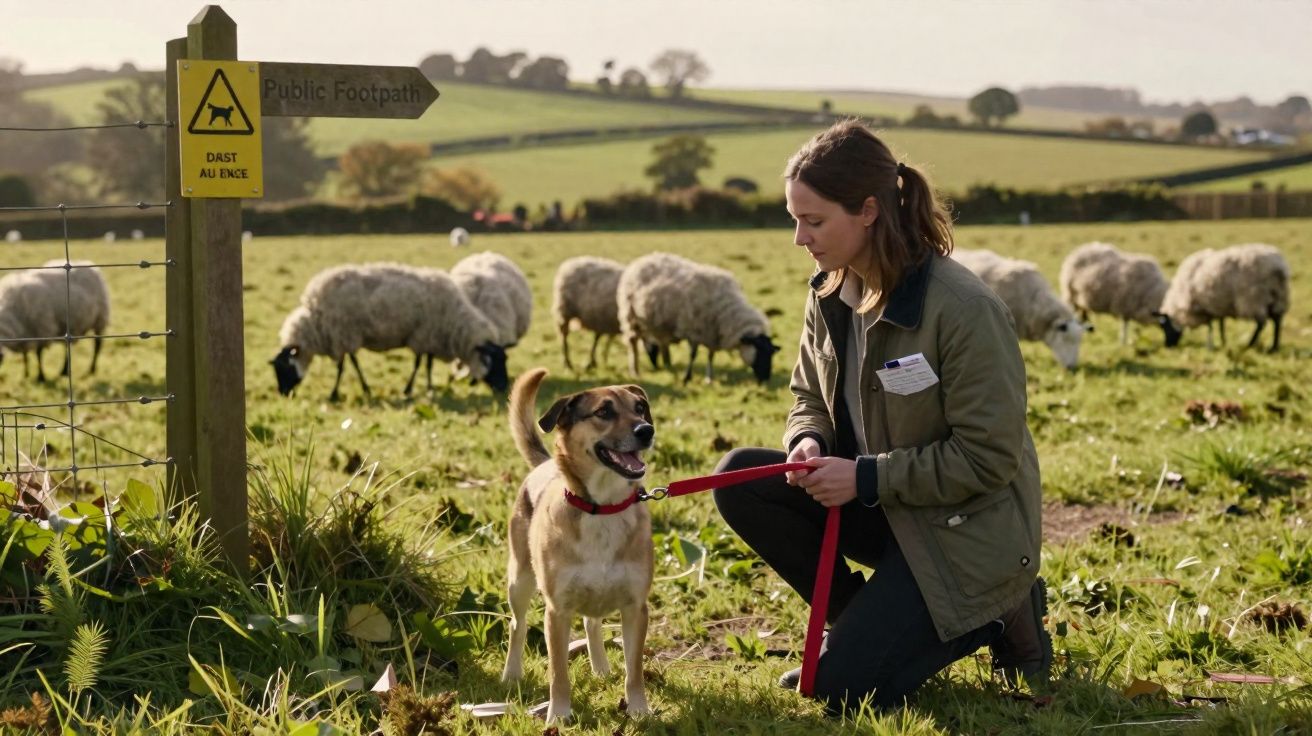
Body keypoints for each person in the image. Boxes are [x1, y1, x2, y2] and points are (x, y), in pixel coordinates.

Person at [713, 120, 1049, 714]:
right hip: (889, 512)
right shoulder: (828, 292)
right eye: (795, 218)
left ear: (867, 211)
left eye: (813, 221)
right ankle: (859, 622)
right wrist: (809, 440)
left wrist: (864, 478)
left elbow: (988, 458)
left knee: (843, 692)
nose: (799, 237)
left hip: (967, 531)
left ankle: (1004, 608)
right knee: (741, 478)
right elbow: (807, 397)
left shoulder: (964, 309)